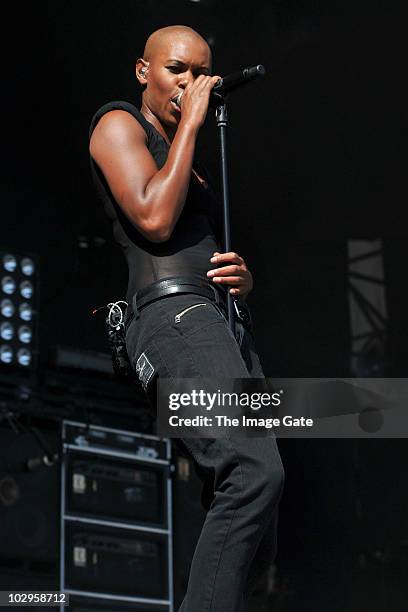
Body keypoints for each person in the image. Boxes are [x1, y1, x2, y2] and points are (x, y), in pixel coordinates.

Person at [89, 24, 285, 612]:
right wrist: (194, 123)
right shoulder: (118, 123)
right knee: (253, 471)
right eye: (179, 70)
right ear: (143, 71)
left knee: (261, 528)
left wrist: (239, 280)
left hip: (218, 320)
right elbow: (151, 219)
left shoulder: (191, 161)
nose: (191, 84)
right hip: (174, 319)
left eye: (202, 73)